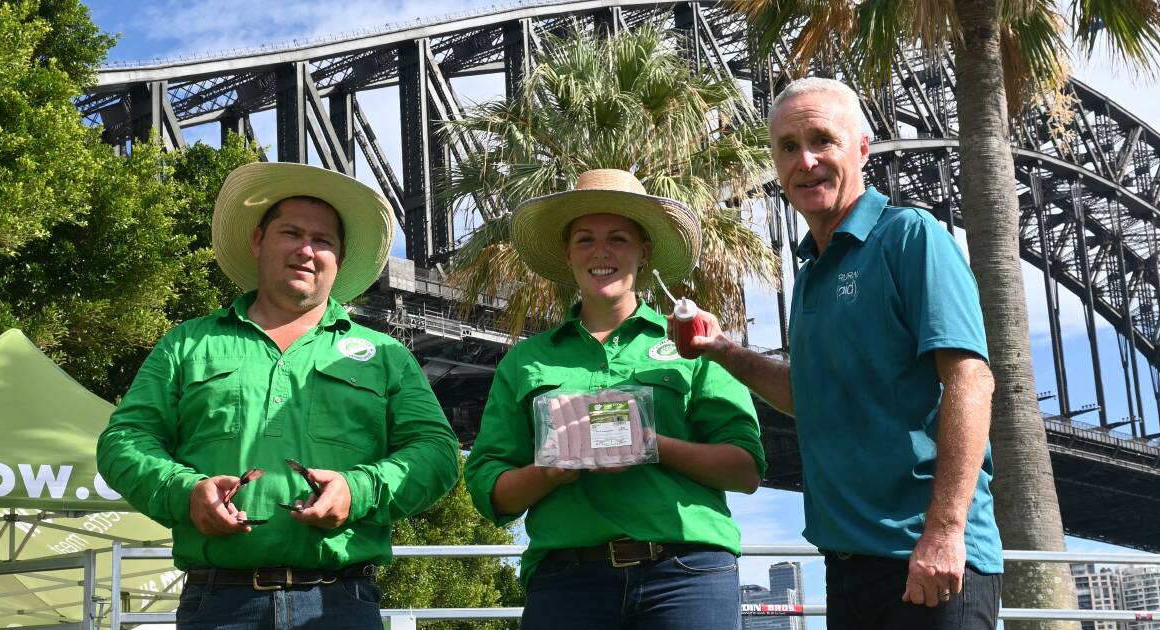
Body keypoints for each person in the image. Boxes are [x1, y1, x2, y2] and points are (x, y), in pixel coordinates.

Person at [691, 78, 1003, 629]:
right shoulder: (812, 274)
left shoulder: (910, 236)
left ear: (862, 147)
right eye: (788, 147)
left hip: (926, 559)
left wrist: (946, 532)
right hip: (850, 564)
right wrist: (721, 351)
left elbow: (971, 381)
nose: (805, 160)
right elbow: (811, 397)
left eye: (822, 140)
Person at [97, 162, 459, 630]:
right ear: (257, 241)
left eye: (323, 241)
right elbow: (124, 440)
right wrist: (185, 493)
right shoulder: (188, 343)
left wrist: (358, 490)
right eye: (291, 233)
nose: (307, 250)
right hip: (217, 604)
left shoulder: (387, 355)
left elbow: (436, 452)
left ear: (339, 258)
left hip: (341, 603)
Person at [464, 169, 768, 629]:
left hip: (685, 575)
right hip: (567, 583)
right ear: (567, 254)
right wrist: (549, 471)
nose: (600, 252)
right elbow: (490, 491)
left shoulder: (695, 345)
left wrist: (652, 445)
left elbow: (746, 469)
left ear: (644, 253)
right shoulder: (525, 362)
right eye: (584, 239)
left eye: (618, 238)